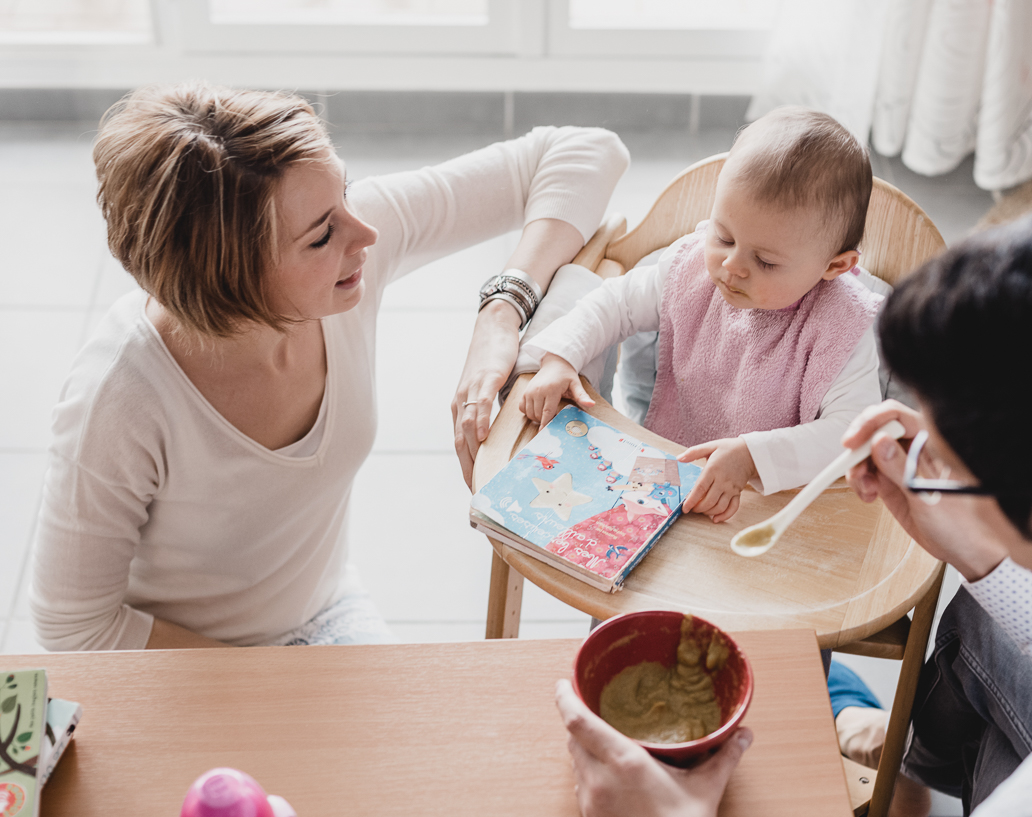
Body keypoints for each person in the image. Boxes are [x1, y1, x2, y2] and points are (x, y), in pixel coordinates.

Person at [555, 205, 1032, 816]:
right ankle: (907, 762)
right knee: (976, 616)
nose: (923, 461)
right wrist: (974, 547)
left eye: (951, 471)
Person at [30, 82, 628, 651]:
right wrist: (279, 687)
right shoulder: (119, 398)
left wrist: (502, 311)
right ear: (229, 281)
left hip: (325, 615)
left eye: (345, 193)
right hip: (174, 662)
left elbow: (586, 150)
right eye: (321, 236)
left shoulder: (346, 242)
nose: (365, 231)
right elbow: (75, 629)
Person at [519, 107, 884, 523]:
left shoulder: (843, 325)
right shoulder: (690, 270)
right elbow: (616, 302)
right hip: (665, 472)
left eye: (765, 261)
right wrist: (561, 356)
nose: (732, 266)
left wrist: (753, 457)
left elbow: (851, 432)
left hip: (771, 507)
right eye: (724, 236)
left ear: (834, 267)